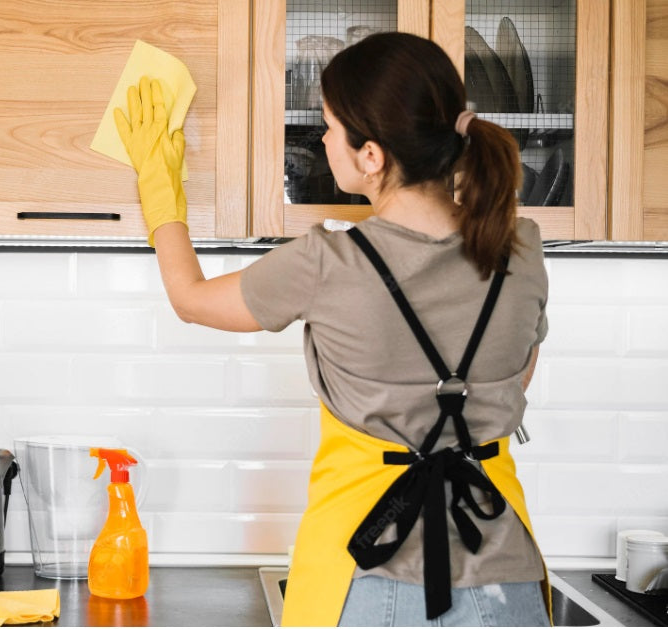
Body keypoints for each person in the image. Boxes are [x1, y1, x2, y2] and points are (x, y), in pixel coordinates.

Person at [114, 31, 550, 627]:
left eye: (329, 125)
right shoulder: (521, 251)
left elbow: (191, 299)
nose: (321, 139)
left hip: (370, 566)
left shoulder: (326, 263)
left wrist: (159, 189)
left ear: (371, 156)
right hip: (505, 571)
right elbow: (516, 377)